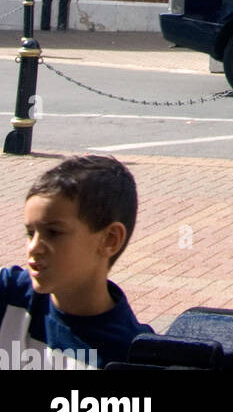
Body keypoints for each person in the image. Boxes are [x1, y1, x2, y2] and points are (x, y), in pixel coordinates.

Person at [1, 154, 149, 369]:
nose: (34, 247)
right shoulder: (10, 294)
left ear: (110, 239)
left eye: (53, 232)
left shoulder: (130, 354)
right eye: (30, 233)